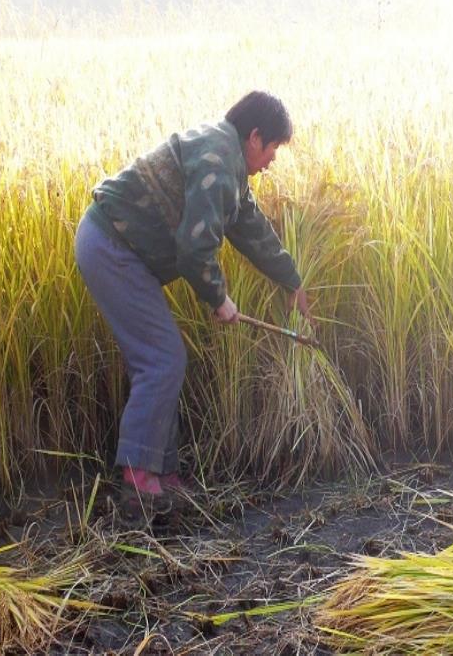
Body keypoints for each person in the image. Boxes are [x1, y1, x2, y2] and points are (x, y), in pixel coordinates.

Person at [75, 90, 312, 514]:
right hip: (112, 247)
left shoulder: (228, 162)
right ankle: (138, 479)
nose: (274, 159)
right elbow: (193, 249)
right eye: (274, 147)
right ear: (255, 137)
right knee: (163, 359)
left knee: (160, 358)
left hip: (120, 250)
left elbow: (249, 226)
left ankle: (160, 475)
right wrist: (219, 299)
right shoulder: (218, 161)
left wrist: (291, 280)